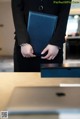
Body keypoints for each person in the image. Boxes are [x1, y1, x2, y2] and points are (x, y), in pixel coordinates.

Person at [11, 0, 72, 72]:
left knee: (51, 81)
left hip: (53, 48)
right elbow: (17, 11)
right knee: (23, 81)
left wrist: (56, 43)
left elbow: (64, 15)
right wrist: (23, 42)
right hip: (25, 47)